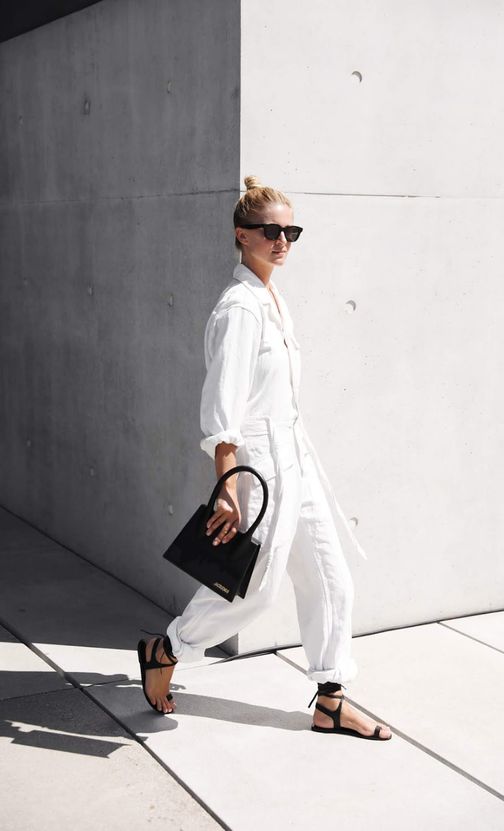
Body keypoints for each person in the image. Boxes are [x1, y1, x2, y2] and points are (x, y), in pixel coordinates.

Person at [137, 176, 392, 740]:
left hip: (295, 456)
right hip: (262, 464)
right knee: (253, 589)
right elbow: (222, 410)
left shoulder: (272, 297)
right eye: (269, 231)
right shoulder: (239, 309)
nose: (282, 241)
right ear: (241, 234)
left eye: (290, 232)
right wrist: (227, 484)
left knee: (331, 579)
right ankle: (167, 648)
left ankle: (331, 698)